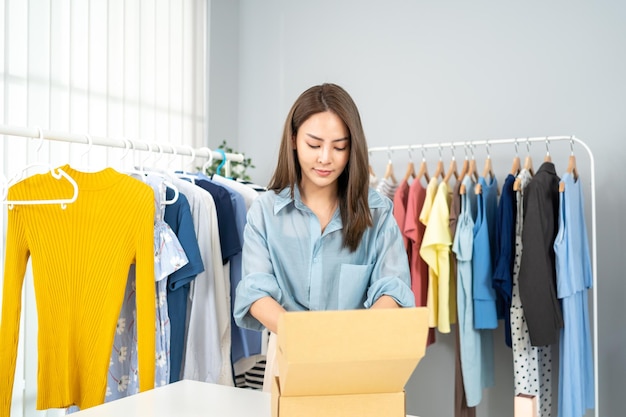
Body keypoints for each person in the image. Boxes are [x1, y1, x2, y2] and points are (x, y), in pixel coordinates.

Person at [233, 83, 415, 391]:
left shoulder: (378, 212)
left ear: (352, 147)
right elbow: (255, 290)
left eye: (339, 147)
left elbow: (393, 287)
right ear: (293, 139)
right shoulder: (265, 211)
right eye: (314, 145)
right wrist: (304, 338)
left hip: (359, 362)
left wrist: (348, 339)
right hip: (289, 360)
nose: (326, 158)